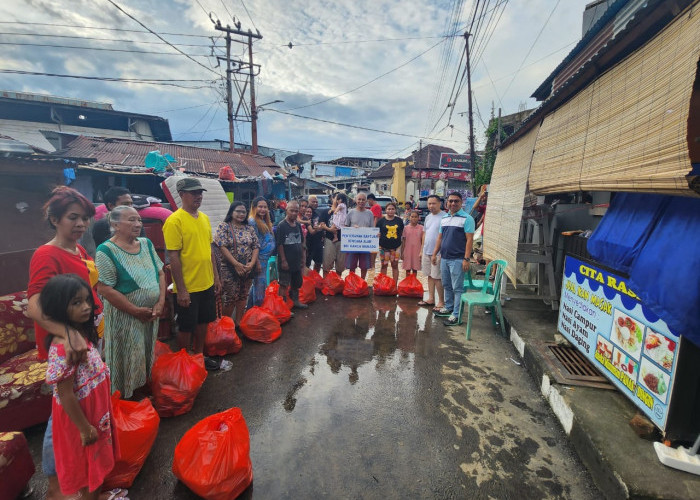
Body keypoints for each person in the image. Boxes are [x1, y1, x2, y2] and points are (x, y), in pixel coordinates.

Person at [26, 186, 111, 500]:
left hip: (87, 340)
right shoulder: (46, 254)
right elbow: (34, 305)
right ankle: (56, 485)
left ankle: (83, 476)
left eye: (84, 219)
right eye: (73, 218)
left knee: (81, 405)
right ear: (54, 219)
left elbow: (90, 289)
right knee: (60, 414)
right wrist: (68, 334)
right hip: (67, 347)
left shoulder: (81, 251)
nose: (81, 224)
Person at [41, 274, 118, 500]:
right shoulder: (64, 347)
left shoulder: (78, 335)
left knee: (97, 460)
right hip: (82, 417)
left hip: (95, 410)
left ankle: (97, 495)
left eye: (87, 300)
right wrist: (84, 428)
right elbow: (65, 395)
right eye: (76, 303)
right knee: (87, 466)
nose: (86, 307)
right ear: (57, 306)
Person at [95, 205, 166, 399]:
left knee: (145, 354)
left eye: (139, 220)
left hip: (150, 314)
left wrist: (160, 302)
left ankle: (142, 392)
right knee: (127, 357)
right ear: (115, 224)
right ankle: (126, 399)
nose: (137, 224)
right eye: (131, 220)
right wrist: (135, 310)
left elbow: (160, 272)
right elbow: (104, 288)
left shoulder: (146, 244)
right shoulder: (106, 251)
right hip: (125, 318)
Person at [163, 178, 221, 370]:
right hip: (188, 286)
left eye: (200, 193)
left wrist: (216, 278)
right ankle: (184, 361)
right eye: (193, 193)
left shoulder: (204, 218)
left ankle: (199, 357)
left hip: (207, 282)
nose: (198, 196)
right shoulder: (175, 220)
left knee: (204, 321)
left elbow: (209, 250)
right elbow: (173, 256)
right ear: (181, 195)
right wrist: (181, 290)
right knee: (186, 326)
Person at [432, 192, 475, 326]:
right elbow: (440, 238)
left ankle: (456, 315)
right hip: (444, 258)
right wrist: (434, 254)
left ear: (461, 203)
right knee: (447, 285)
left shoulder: (467, 218)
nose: (453, 203)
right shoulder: (444, 218)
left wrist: (466, 259)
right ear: (447, 203)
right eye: (450, 201)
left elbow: (469, 240)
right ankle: (449, 307)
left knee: (458, 288)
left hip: (458, 259)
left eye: (456, 201)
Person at [213, 201, 259, 324]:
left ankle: (239, 323)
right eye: (238, 211)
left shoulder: (249, 228)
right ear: (231, 212)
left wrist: (252, 263)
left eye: (244, 212)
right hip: (229, 269)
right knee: (230, 297)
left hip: (247, 268)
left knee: (243, 295)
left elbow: (255, 246)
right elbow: (222, 246)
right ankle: (226, 326)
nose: (241, 214)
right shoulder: (224, 227)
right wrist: (236, 264)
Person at [88, 187, 145, 253]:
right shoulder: (102, 225)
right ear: (111, 206)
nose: (130, 207)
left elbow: (142, 248)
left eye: (131, 204)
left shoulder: (137, 223)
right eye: (125, 204)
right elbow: (106, 252)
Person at [276, 200, 307, 309]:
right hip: (286, 261)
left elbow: (302, 242)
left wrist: (303, 258)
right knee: (284, 284)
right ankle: (282, 307)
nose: (294, 213)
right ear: (286, 210)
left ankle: (295, 301)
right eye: (291, 210)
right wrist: (283, 260)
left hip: (296, 261)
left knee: (296, 283)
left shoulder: (298, 225)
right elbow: (279, 244)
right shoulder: (281, 226)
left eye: (296, 211)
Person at [248, 196, 276, 307]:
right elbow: (253, 244)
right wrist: (257, 263)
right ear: (254, 208)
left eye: (265, 207)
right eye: (260, 207)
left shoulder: (263, 220)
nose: (263, 209)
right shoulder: (253, 222)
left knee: (256, 286)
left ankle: (250, 311)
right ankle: (257, 313)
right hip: (259, 260)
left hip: (265, 259)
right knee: (260, 287)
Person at [419, 195, 446, 310]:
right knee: (429, 276)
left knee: (437, 277)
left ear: (440, 203)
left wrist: (439, 252)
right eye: (429, 204)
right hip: (426, 250)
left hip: (438, 252)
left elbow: (444, 236)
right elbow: (424, 234)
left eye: (433, 203)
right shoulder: (428, 217)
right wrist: (421, 250)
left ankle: (441, 301)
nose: (431, 206)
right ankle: (431, 298)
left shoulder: (445, 217)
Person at [344, 192, 374, 279]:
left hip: (365, 244)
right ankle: (352, 281)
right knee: (351, 265)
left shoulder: (370, 213)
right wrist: (352, 228)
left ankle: (362, 282)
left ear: (366, 201)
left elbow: (372, 228)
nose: (361, 201)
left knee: (364, 266)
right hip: (353, 243)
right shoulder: (351, 212)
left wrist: (376, 235)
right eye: (359, 199)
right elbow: (346, 227)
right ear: (356, 200)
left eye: (363, 199)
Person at [318, 193, 345, 276]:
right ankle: (326, 285)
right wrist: (330, 229)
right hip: (329, 240)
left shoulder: (344, 211)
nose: (338, 201)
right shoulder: (326, 212)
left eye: (340, 199)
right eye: (336, 198)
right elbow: (321, 224)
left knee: (340, 267)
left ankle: (338, 284)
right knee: (326, 265)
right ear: (332, 199)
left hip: (342, 240)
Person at [376, 202, 404, 281]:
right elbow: (377, 232)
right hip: (383, 247)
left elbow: (401, 232)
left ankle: (394, 285)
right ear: (386, 210)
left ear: (395, 210)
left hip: (396, 247)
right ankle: (383, 284)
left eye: (392, 209)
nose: (390, 211)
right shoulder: (381, 221)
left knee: (395, 266)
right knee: (384, 266)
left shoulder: (399, 220)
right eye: (389, 209)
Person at [305, 196, 324, 272]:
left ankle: (316, 279)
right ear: (308, 202)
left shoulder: (318, 213)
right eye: (313, 201)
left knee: (318, 262)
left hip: (318, 242)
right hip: (308, 243)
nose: (315, 203)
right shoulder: (304, 213)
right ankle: (307, 280)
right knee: (307, 263)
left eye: (316, 202)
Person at [402, 210, 423, 276]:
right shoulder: (405, 228)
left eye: (416, 217)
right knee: (407, 269)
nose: (414, 218)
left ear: (418, 218)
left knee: (415, 269)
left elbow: (423, 241)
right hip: (407, 251)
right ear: (409, 217)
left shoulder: (421, 228)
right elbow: (403, 240)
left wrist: (422, 252)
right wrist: (402, 252)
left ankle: (414, 284)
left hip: (417, 251)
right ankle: (407, 283)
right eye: (412, 216)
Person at [367, 194, 383, 270]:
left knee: (373, 248)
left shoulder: (376, 207)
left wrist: (373, 230)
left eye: (368, 201)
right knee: (373, 248)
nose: (368, 202)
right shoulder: (375, 207)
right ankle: (372, 265)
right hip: (376, 229)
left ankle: (372, 265)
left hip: (375, 230)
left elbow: (375, 218)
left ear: (370, 199)